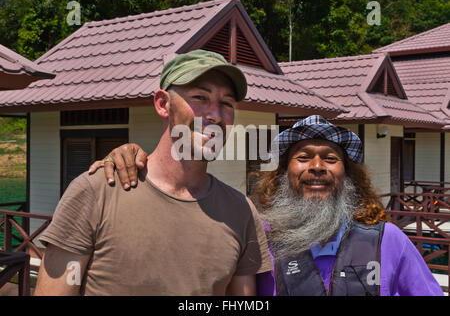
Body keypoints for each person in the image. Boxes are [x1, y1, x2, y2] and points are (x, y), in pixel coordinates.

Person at [94, 115, 444, 296]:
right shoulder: (256, 237)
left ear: (348, 177)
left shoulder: (388, 241)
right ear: (284, 175)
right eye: (303, 157)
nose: (317, 167)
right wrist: (137, 162)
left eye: (331, 159)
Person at [34, 50, 272, 296]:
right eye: (200, 97)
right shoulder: (97, 191)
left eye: (227, 103)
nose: (215, 115)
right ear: (163, 104)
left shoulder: (240, 211)